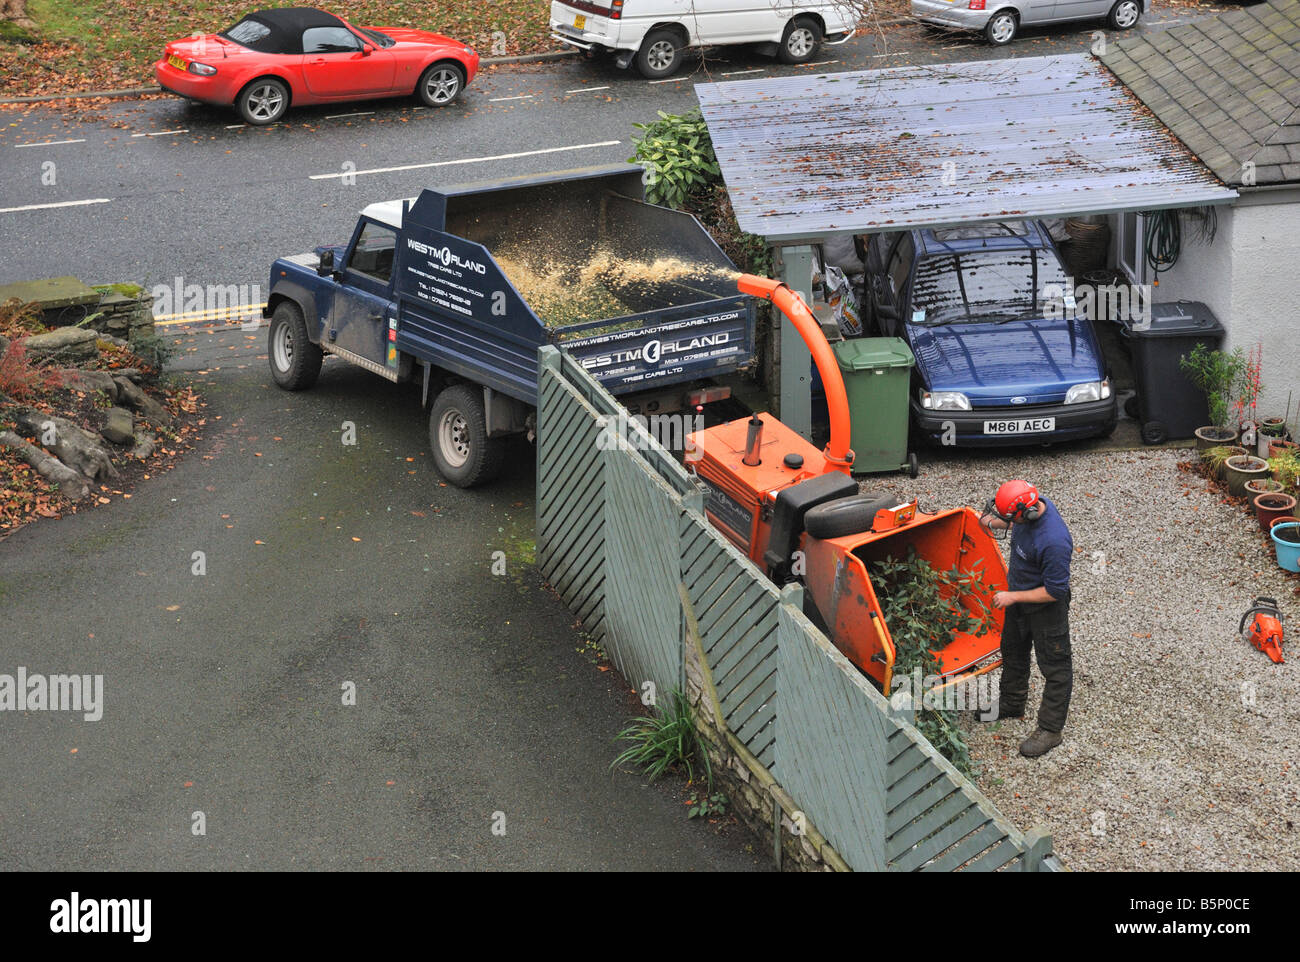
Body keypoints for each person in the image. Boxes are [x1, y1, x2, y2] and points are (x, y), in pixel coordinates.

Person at [979, 480, 1073, 758]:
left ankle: (1050, 729)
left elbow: (1055, 591)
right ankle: (1012, 703)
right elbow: (1016, 522)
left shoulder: (1054, 541)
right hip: (1018, 596)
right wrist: (994, 522)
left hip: (1046, 608)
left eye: (1010, 517)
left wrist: (1013, 597)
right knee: (1013, 652)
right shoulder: (1032, 506)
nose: (1007, 521)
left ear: (1026, 513)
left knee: (1056, 668)